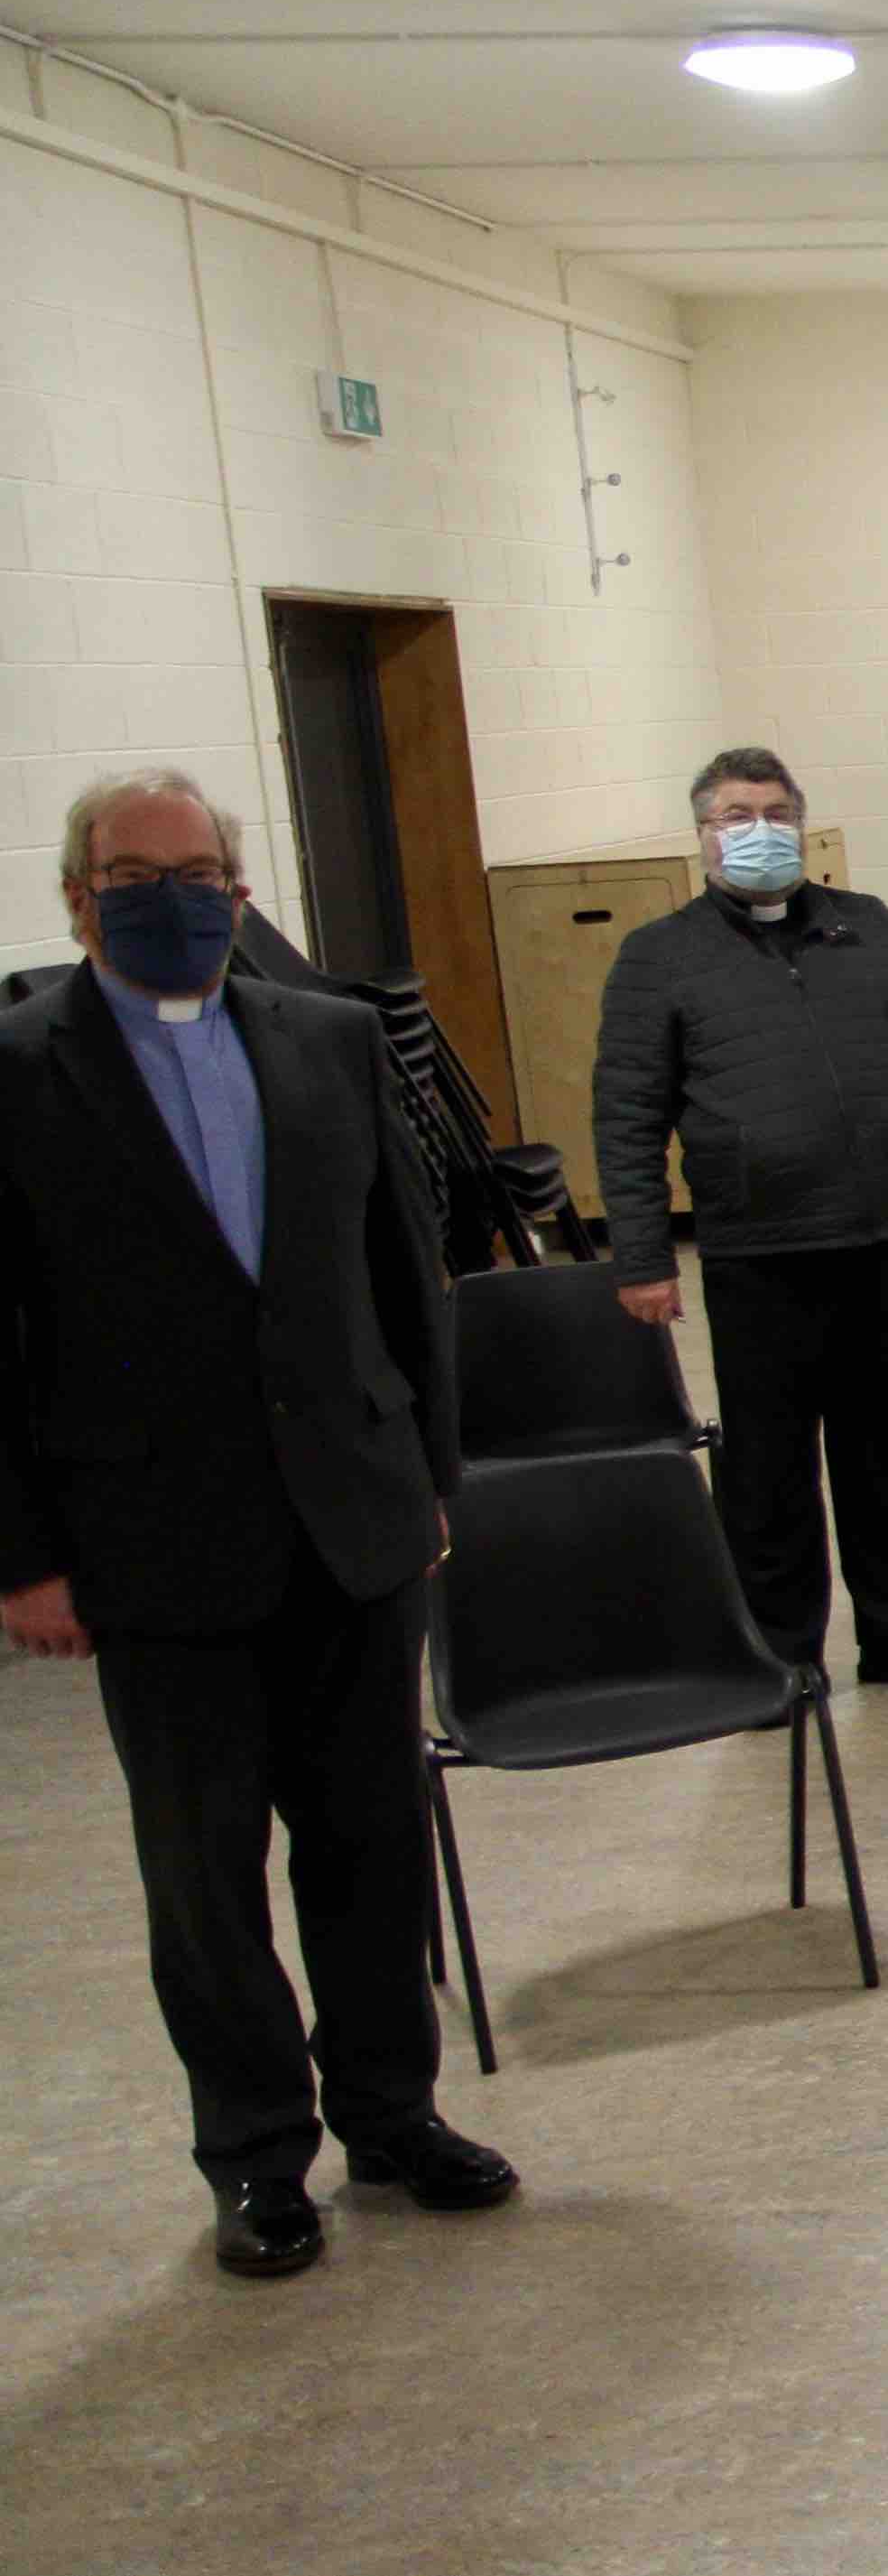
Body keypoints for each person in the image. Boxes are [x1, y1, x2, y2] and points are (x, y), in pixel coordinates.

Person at [0, 767, 516, 2277]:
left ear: (239, 884)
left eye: (199, 868)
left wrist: (430, 1474)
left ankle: (391, 2114)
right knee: (205, 1877)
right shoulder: (21, 1068)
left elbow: (403, 1278)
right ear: (77, 894)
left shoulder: (332, 1040)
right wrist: (21, 1557)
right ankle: (253, 2158)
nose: (171, 893)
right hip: (150, 1550)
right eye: (132, 871)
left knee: (367, 1844)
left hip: (350, 1524)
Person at [594, 747, 888, 1693]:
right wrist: (642, 1257)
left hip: (880, 1244)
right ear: (702, 834)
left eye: (773, 811)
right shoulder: (659, 955)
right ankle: (778, 1654)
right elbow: (627, 1117)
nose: (756, 829)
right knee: (767, 1469)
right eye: (735, 814)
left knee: (881, 1451)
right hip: (756, 1254)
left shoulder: (865, 926)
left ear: (801, 825)